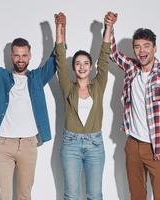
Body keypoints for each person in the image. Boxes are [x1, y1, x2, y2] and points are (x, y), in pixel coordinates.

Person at [0, 10, 57, 200]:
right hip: (3, 144)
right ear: (11, 56)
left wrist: (59, 30)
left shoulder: (38, 78)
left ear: (30, 56)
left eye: (24, 55)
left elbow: (55, 60)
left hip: (29, 145)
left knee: (24, 195)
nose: (20, 59)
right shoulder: (1, 77)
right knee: (3, 196)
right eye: (16, 55)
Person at [105, 12, 160, 200]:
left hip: (158, 148)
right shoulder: (131, 68)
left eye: (146, 46)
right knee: (136, 196)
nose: (141, 51)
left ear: (154, 48)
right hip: (132, 144)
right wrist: (110, 26)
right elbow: (112, 52)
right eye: (137, 47)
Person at [54, 12, 112, 200]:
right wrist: (59, 29)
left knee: (95, 195)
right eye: (78, 63)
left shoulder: (98, 85)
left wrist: (107, 28)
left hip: (95, 144)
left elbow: (104, 58)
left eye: (86, 63)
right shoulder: (67, 87)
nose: (82, 67)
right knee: (71, 195)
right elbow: (60, 61)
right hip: (71, 144)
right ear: (74, 68)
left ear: (90, 66)